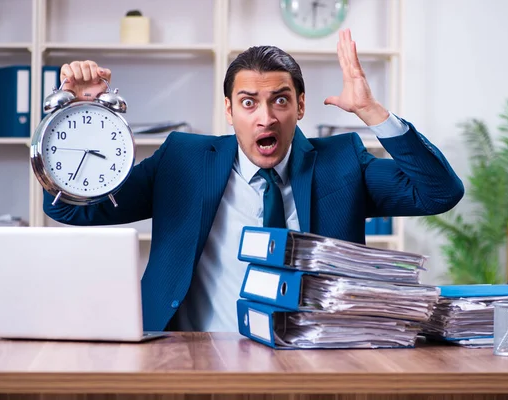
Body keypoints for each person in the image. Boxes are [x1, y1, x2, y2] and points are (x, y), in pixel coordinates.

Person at [44, 29, 464, 332]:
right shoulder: (182, 162)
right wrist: (78, 115)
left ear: (300, 106)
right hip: (197, 355)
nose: (265, 117)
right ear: (229, 111)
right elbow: (69, 208)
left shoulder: (342, 163)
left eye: (280, 100)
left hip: (316, 360)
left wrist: (374, 112)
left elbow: (439, 192)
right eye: (249, 103)